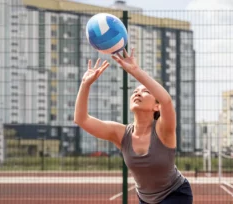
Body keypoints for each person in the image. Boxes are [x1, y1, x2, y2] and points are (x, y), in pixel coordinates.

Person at [74, 48, 193, 204]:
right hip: (145, 199)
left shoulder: (164, 129)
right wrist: (85, 85)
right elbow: (81, 119)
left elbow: (166, 101)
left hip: (175, 194)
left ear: (156, 107)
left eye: (145, 92)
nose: (137, 93)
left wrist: (136, 71)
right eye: (135, 91)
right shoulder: (121, 134)